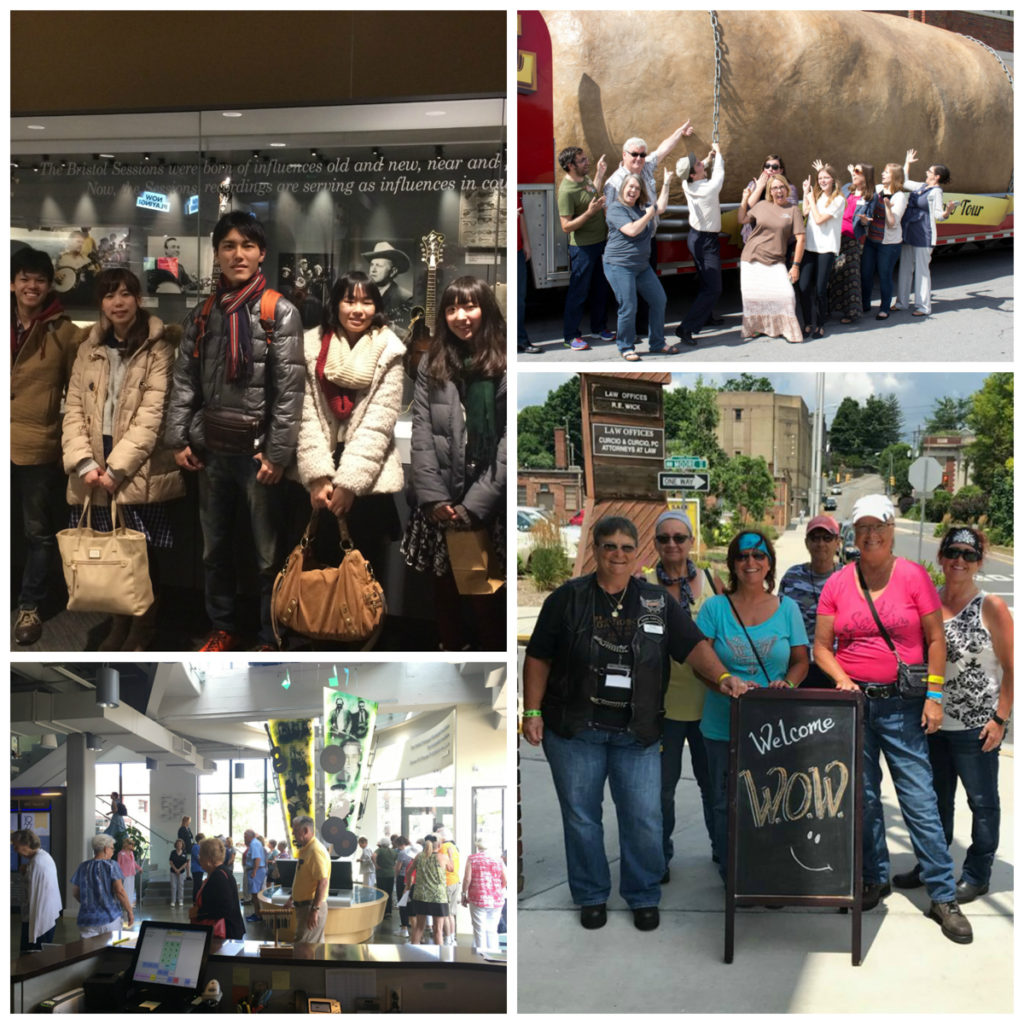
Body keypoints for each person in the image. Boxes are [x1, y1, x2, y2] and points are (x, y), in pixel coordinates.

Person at [523, 515, 753, 931]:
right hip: (576, 730)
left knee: (644, 817)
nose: (618, 555)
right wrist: (532, 711)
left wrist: (721, 677)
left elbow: (694, 646)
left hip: (639, 732)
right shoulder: (567, 599)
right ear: (594, 549)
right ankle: (592, 895)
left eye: (627, 548)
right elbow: (538, 656)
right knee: (582, 817)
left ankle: (643, 894)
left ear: (636, 554)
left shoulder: (655, 602)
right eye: (609, 546)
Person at [813, 494, 972, 943]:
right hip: (856, 705)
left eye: (877, 526)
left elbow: (935, 639)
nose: (870, 534)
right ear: (854, 534)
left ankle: (942, 894)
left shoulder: (913, 577)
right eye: (861, 527)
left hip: (903, 705)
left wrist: (934, 696)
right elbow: (822, 646)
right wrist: (842, 679)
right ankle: (873, 877)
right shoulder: (839, 583)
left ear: (891, 528)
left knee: (918, 799)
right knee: (862, 798)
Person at [165, 210, 305, 652]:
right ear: (217, 253)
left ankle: (270, 635)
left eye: (247, 245)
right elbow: (184, 380)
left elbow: (289, 392)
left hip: (258, 456)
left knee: (267, 557)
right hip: (211, 453)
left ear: (261, 253)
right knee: (214, 551)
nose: (237, 254)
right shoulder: (203, 313)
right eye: (228, 246)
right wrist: (179, 437)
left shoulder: (278, 312)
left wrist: (278, 455)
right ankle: (222, 627)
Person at [61, 268, 184, 650]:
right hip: (94, 465)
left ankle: (143, 627)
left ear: (138, 299)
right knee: (107, 548)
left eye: (126, 294)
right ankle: (118, 623)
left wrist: (116, 468)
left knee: (139, 552)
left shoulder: (159, 347)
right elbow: (75, 409)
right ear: (101, 302)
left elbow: (153, 416)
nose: (118, 302)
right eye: (110, 295)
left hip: (136, 466)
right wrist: (84, 463)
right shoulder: (88, 347)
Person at [893, 527, 1014, 903]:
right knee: (934, 803)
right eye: (952, 552)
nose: (959, 560)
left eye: (968, 554)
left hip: (976, 727)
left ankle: (978, 873)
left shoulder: (990, 606)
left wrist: (1000, 720)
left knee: (982, 802)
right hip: (932, 723)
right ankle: (934, 864)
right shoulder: (929, 602)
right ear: (942, 557)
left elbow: (1012, 667)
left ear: (978, 562)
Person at [696, 530, 809, 880]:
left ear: (769, 563)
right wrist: (722, 681)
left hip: (772, 728)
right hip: (721, 723)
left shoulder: (787, 608)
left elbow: (801, 661)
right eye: (743, 556)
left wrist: (786, 684)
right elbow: (699, 660)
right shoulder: (715, 608)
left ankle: (767, 868)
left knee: (770, 800)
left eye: (759, 556)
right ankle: (732, 869)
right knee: (723, 799)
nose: (751, 562)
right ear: (732, 562)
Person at [402, 277, 506, 651]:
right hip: (440, 501)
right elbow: (422, 430)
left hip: (487, 505)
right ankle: (450, 649)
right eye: (451, 308)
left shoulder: (506, 360)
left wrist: (473, 506)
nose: (460, 316)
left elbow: (509, 442)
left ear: (486, 310)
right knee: (443, 591)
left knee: (486, 597)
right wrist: (433, 499)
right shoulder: (433, 360)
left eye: (469, 306)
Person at [295, 271, 405, 578]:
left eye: (367, 302)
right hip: (319, 479)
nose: (358, 310)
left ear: (377, 307)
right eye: (349, 300)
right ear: (336, 304)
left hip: (366, 481)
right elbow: (306, 415)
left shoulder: (389, 349)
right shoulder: (311, 345)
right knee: (316, 572)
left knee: (364, 578)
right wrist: (317, 476)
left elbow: (378, 423)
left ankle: (366, 629)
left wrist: (349, 484)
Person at [11, 247, 83, 646]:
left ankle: (30, 606)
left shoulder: (63, 330)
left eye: (39, 279)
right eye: (24, 278)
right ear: (12, 282)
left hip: (37, 444)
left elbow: (77, 392)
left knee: (38, 532)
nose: (31, 286)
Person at [643, 511, 717, 878]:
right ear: (655, 543)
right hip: (662, 707)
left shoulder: (713, 583)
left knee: (713, 787)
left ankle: (723, 852)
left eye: (679, 537)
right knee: (661, 792)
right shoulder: (639, 585)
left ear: (691, 542)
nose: (672, 544)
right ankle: (660, 857)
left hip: (710, 705)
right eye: (664, 538)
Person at [603, 121, 695, 336]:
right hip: (626, 243)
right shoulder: (614, 182)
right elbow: (609, 215)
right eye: (634, 154)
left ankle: (646, 331)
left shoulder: (645, 168)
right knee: (628, 297)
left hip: (647, 239)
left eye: (642, 155)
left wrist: (678, 132)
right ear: (624, 155)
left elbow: (662, 150)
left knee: (650, 293)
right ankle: (627, 338)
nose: (638, 159)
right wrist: (641, 218)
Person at [602, 170, 673, 360]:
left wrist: (666, 183)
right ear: (623, 188)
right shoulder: (616, 209)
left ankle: (657, 343)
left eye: (637, 188)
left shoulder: (642, 207)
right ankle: (625, 347)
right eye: (630, 186)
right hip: (619, 265)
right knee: (629, 306)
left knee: (659, 300)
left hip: (641, 265)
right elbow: (632, 230)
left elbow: (662, 207)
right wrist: (648, 215)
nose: (632, 190)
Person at [737, 172, 806, 343]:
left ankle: (786, 330)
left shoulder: (793, 210)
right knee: (754, 298)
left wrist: (795, 266)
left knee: (787, 295)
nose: (779, 190)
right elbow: (742, 219)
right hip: (751, 257)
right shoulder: (761, 205)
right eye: (775, 188)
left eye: (781, 186)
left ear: (786, 189)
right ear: (770, 191)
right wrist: (744, 199)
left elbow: (801, 239)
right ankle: (756, 328)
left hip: (776, 260)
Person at [557, 146, 611, 351]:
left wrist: (599, 174)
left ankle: (599, 328)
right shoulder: (566, 191)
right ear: (570, 166)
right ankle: (570, 336)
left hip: (600, 243)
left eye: (586, 159)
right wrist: (589, 214)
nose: (586, 162)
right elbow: (565, 226)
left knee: (600, 288)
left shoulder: (586, 179)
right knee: (579, 292)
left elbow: (592, 194)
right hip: (582, 249)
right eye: (582, 160)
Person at [778, 514, 843, 687]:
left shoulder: (849, 578)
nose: (821, 544)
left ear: (838, 542)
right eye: (815, 538)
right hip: (799, 666)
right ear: (807, 542)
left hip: (838, 668)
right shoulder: (792, 577)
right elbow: (779, 621)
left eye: (827, 538)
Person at [895, 149, 957, 318]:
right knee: (905, 267)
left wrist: (948, 211)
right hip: (909, 230)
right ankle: (901, 302)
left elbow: (938, 215)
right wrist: (907, 162)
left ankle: (923, 306)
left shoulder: (936, 192)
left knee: (922, 270)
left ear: (936, 177)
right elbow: (905, 181)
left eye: (929, 171)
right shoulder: (922, 186)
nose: (926, 172)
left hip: (923, 233)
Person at [675, 142, 725, 346]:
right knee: (714, 288)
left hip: (695, 237)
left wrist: (708, 159)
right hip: (705, 241)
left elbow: (700, 167)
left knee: (705, 282)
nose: (700, 163)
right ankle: (685, 328)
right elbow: (719, 175)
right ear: (694, 174)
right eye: (697, 165)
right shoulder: (707, 188)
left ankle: (706, 316)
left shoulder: (687, 183)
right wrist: (719, 154)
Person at [798, 161, 844, 338]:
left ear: (833, 180)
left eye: (826, 177)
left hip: (826, 248)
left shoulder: (839, 200)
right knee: (803, 286)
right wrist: (806, 193)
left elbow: (818, 219)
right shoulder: (816, 196)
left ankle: (820, 324)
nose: (823, 180)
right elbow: (806, 212)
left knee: (820, 289)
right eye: (820, 178)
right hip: (810, 246)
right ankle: (808, 323)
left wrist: (811, 199)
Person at [828, 162, 874, 324]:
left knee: (851, 276)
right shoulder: (848, 188)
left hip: (851, 238)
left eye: (857, 173)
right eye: (853, 173)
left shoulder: (870, 196)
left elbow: (867, 221)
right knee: (835, 272)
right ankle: (833, 309)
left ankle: (852, 312)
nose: (854, 175)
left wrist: (863, 222)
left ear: (866, 176)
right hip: (835, 235)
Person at [861, 163, 908, 320]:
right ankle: (865, 304)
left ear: (894, 176)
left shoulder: (900, 197)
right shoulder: (878, 189)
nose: (882, 174)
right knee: (865, 273)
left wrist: (888, 207)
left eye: (886, 172)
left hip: (888, 244)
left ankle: (884, 308)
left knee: (884, 275)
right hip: (871, 239)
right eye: (883, 171)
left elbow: (892, 223)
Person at [70, 834, 133, 937]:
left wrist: (90, 903)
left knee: (88, 952)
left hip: (87, 920)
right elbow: (119, 891)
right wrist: (129, 911)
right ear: (105, 849)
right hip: (109, 918)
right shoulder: (112, 865)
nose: (113, 852)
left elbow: (75, 892)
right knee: (111, 951)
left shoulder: (83, 866)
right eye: (112, 848)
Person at [12, 829, 62, 951]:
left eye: (16, 845)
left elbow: (36, 896)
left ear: (25, 845)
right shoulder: (42, 857)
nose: (15, 849)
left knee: (33, 955)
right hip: (40, 916)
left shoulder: (38, 863)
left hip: (39, 919)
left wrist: (34, 932)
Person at [285, 815, 331, 943]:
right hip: (306, 907)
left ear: (305, 831)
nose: (293, 833)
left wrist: (315, 910)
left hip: (310, 907)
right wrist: (292, 898)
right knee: (310, 948)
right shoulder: (306, 849)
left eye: (295, 830)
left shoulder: (315, 850)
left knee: (305, 949)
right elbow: (302, 878)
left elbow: (323, 882)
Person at [190, 836, 246, 939]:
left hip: (225, 934)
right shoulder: (221, 872)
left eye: (201, 855)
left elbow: (225, 908)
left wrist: (199, 913)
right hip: (229, 931)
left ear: (208, 859)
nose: (199, 858)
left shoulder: (218, 876)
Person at [740, 154, 799, 244]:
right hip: (753, 239)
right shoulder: (753, 184)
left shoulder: (789, 188)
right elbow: (747, 210)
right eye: (767, 166)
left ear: (781, 171)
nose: (770, 169)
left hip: (779, 241)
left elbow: (788, 215)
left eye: (775, 167)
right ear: (763, 169)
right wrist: (759, 188)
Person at [460, 838, 506, 951]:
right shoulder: (498, 859)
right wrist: (498, 890)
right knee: (492, 930)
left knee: (479, 929)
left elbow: (467, 879)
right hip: (496, 899)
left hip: (478, 898)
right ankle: (494, 956)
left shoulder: (472, 859)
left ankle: (481, 958)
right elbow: (505, 879)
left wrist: (463, 894)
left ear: (477, 847)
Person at [409, 835, 452, 946]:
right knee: (438, 930)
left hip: (421, 895)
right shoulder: (443, 857)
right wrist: (450, 855)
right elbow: (451, 869)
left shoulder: (419, 856)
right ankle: (439, 959)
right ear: (439, 845)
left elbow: (409, 872)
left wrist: (408, 886)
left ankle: (412, 954)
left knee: (419, 927)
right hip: (438, 897)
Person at [362, 241, 413, 330]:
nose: (373, 270)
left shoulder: (404, 298)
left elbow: (405, 334)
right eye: (372, 265)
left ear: (393, 271)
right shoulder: (362, 293)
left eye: (379, 266)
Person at [516, 204, 540, 354]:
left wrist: (526, 243)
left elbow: (520, 215)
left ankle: (520, 340)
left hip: (517, 250)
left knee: (519, 300)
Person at [437, 826, 460, 945]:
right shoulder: (454, 847)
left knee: (444, 913)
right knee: (451, 913)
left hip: (446, 882)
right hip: (455, 881)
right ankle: (452, 938)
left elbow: (441, 864)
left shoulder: (442, 848)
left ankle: (447, 937)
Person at [243, 829, 267, 922]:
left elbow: (257, 858)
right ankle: (257, 913)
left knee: (255, 895)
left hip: (256, 872)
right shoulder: (255, 843)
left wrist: (254, 871)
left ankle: (258, 915)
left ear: (250, 836)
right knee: (255, 895)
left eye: (245, 836)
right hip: (257, 871)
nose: (244, 838)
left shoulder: (254, 844)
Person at [395, 836, 415, 936]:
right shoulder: (414, 851)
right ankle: (411, 927)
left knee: (402, 903)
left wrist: (396, 876)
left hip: (403, 878)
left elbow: (398, 868)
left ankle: (404, 928)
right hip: (414, 880)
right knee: (410, 904)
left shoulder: (402, 853)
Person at [373, 838, 397, 917]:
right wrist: (394, 866)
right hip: (391, 874)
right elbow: (397, 860)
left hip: (381, 874)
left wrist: (376, 865)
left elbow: (373, 856)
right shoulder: (393, 851)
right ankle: (388, 911)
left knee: (381, 892)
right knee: (389, 893)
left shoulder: (379, 850)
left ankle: (381, 911)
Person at [116, 838, 140, 915]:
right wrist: (118, 874)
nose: (132, 846)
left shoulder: (132, 853)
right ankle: (125, 905)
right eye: (131, 844)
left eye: (132, 844)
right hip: (124, 874)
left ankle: (129, 904)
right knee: (125, 889)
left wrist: (139, 868)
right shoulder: (121, 853)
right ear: (126, 844)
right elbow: (118, 865)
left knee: (131, 890)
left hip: (132, 873)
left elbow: (134, 863)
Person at [169, 838, 189, 907]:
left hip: (182, 872)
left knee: (181, 886)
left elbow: (185, 863)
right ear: (176, 845)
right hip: (173, 871)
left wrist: (179, 870)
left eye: (180, 844)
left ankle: (180, 900)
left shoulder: (184, 853)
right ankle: (173, 901)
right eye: (178, 844)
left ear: (182, 845)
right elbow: (171, 862)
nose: (179, 845)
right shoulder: (173, 852)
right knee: (173, 886)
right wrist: (175, 869)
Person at [190, 832, 206, 903]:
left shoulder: (199, 847)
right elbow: (198, 858)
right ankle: (196, 900)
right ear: (200, 840)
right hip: (197, 869)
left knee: (198, 885)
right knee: (197, 885)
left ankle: (197, 899)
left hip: (200, 869)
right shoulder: (195, 847)